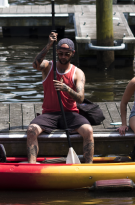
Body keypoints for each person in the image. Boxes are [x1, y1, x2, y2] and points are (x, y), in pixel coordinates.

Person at [26, 32, 94, 163]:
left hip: (69, 114)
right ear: (56, 52)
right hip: (49, 114)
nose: (63, 57)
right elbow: (35, 65)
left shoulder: (78, 73)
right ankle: (31, 166)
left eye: (66, 54)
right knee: (31, 130)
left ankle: (88, 166)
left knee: (88, 130)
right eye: (60, 53)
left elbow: (80, 98)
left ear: (72, 53)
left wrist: (66, 89)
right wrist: (49, 44)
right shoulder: (48, 66)